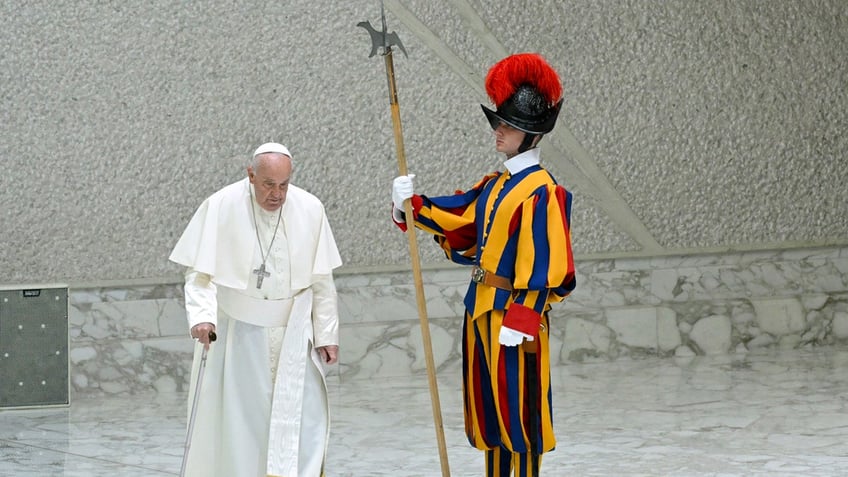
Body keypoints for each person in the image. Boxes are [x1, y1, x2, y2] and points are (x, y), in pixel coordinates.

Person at [390, 53, 576, 477]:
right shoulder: (497, 185)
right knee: (490, 410)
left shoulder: (544, 192)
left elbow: (549, 263)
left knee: (521, 412)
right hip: (481, 310)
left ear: (529, 135)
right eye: (500, 123)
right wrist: (411, 205)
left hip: (515, 317)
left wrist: (524, 317)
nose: (498, 131)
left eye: (507, 126)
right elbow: (462, 219)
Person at [169, 142, 342, 477]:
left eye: (283, 185)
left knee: (301, 421)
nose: (276, 195)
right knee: (243, 425)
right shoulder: (221, 206)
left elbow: (322, 280)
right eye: (268, 185)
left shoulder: (310, 208)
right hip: (239, 336)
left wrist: (327, 334)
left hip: (294, 336)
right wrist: (203, 318)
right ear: (251, 175)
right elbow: (199, 275)